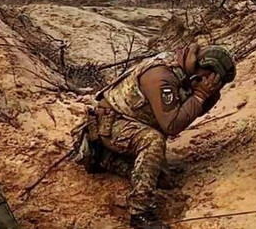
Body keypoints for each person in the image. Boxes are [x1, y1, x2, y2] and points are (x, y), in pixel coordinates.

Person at [75, 44, 236, 229]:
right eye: (213, 80)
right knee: (153, 141)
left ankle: (104, 158)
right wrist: (200, 95)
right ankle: (140, 213)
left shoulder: (184, 70)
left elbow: (187, 114)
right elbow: (172, 126)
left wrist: (205, 97)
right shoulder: (162, 75)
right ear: (204, 71)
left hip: (132, 122)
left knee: (162, 179)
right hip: (111, 123)